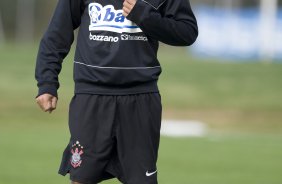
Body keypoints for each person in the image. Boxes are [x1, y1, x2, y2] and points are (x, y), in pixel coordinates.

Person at [35, 0, 198, 183]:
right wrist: (47, 81)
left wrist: (145, 16)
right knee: (82, 178)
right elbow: (57, 34)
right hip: (91, 97)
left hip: (140, 99)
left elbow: (187, 32)